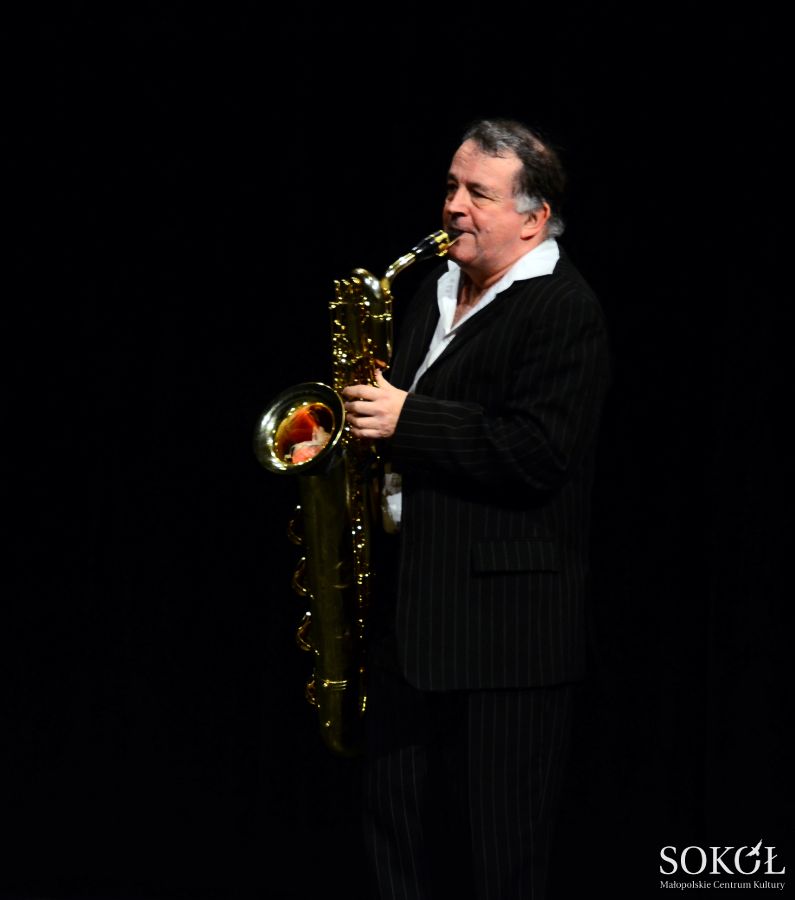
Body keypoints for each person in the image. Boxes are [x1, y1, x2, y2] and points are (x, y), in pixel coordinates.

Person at [341, 117, 610, 900]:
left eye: (478, 194)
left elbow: (537, 452)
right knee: (393, 836)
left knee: (500, 855)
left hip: (504, 635)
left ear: (533, 217)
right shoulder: (432, 291)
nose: (453, 206)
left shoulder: (564, 308)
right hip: (410, 614)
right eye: (451, 187)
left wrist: (407, 419)